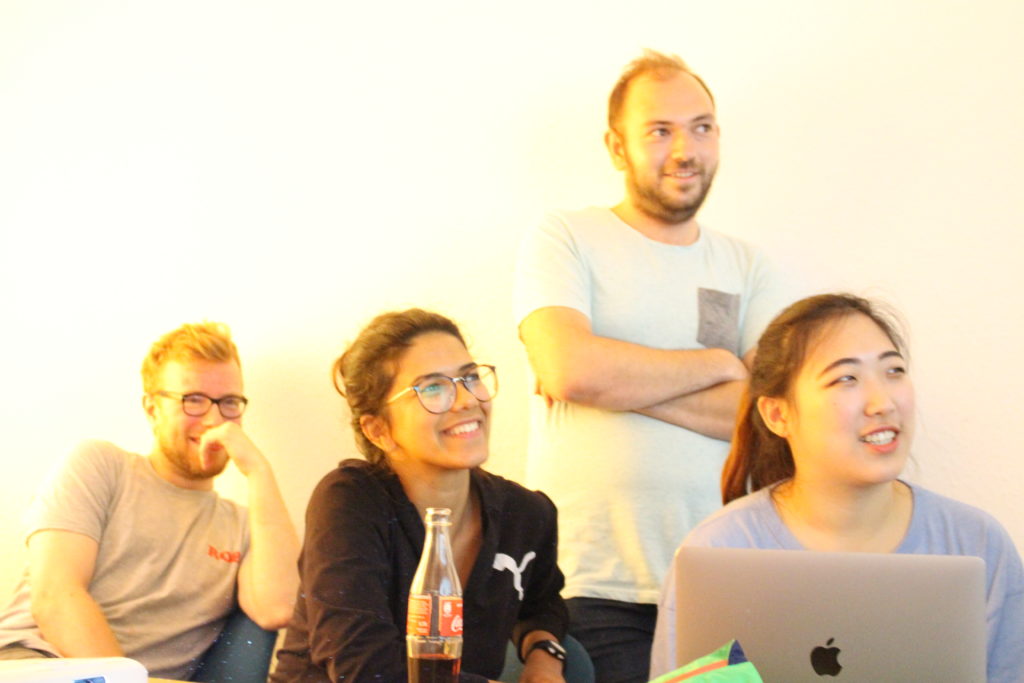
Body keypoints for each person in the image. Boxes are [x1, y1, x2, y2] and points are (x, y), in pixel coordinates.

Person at [513, 49, 790, 681]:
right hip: (590, 581)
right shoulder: (565, 236)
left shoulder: (748, 266)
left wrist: (612, 380)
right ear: (617, 147)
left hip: (723, 578)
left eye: (701, 127)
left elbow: (770, 415)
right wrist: (718, 363)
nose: (685, 150)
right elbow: (569, 369)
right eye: (660, 131)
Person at [649, 294, 1024, 682]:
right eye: (846, 378)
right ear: (778, 414)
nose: (882, 403)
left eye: (894, 370)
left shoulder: (976, 544)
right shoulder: (718, 552)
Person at [271, 309, 569, 683]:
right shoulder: (349, 503)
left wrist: (545, 657)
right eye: (432, 388)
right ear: (379, 430)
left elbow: (543, 603)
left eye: (470, 377)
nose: (466, 401)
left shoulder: (525, 514)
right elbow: (364, 670)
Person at [0, 322, 300, 680]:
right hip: (40, 663)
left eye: (229, 403)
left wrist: (258, 470)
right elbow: (55, 597)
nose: (214, 419)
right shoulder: (101, 466)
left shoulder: (244, 527)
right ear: (152, 408)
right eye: (193, 400)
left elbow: (277, 609)